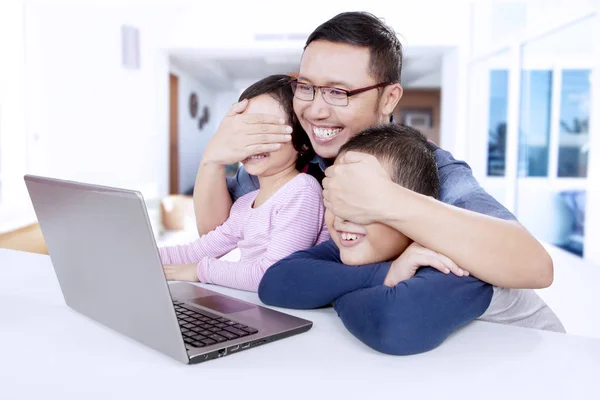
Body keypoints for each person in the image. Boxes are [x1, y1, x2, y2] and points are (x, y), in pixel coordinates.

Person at [193, 11, 553, 290]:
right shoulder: (291, 155)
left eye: (339, 92)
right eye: (306, 87)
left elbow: (534, 266)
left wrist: (385, 199)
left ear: (390, 97)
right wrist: (212, 160)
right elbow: (220, 235)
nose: (315, 109)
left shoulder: (429, 166)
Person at [258, 124, 565, 355]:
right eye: (338, 197)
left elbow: (394, 325)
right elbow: (276, 283)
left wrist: (332, 288)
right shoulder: (364, 243)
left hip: (544, 370)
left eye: (362, 200)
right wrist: (386, 275)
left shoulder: (448, 251)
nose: (343, 216)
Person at [158, 75, 328, 292]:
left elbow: (274, 275)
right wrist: (144, 255)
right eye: (245, 131)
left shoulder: (303, 191)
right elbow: (195, 252)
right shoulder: (246, 203)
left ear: (303, 142)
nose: (252, 143)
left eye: (265, 130)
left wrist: (200, 270)